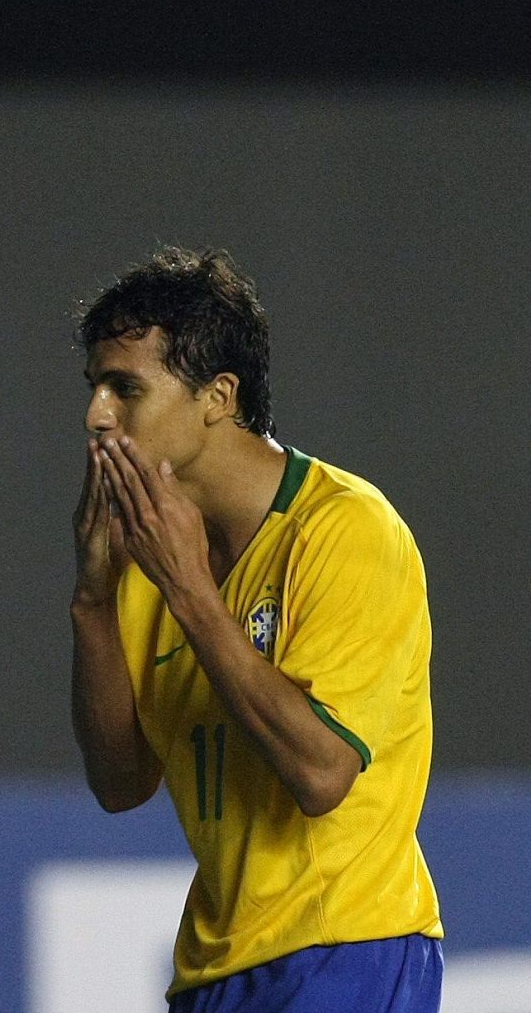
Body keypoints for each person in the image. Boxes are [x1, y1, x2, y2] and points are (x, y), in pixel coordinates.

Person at [68, 247, 443, 1012]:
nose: (96, 415)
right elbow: (119, 783)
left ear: (218, 396)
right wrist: (93, 598)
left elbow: (322, 775)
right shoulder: (150, 556)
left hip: (349, 951)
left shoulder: (346, 531)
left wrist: (191, 592)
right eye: (94, 387)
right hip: (214, 971)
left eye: (125, 388)